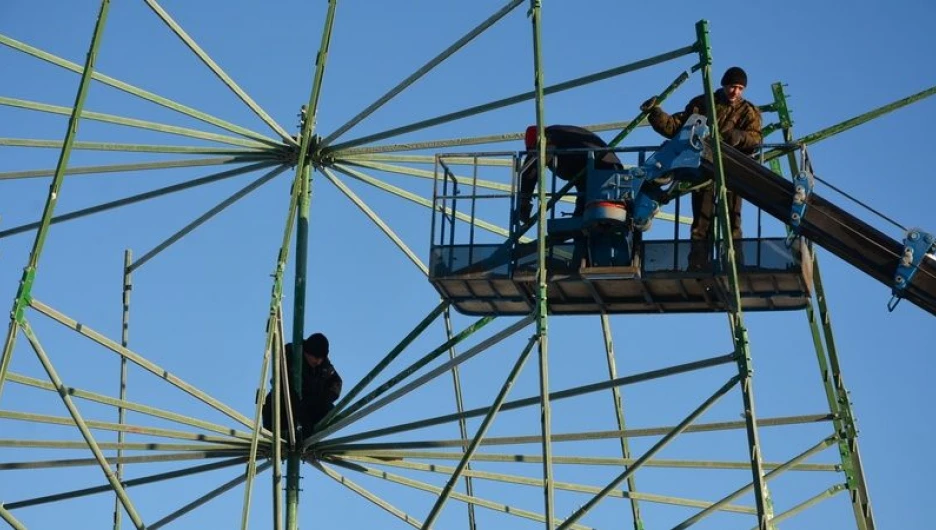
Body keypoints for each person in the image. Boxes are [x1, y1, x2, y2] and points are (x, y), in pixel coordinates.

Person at [641, 66, 762, 269]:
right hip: (702, 170)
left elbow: (756, 138)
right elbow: (676, 128)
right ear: (724, 85)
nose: (736, 92)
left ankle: (734, 266)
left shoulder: (748, 111)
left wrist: (740, 137)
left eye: (740, 88)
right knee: (700, 224)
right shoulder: (703, 104)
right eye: (733, 87)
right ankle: (697, 265)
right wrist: (655, 113)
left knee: (733, 222)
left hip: (731, 172)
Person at [517, 124, 624, 224]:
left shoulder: (550, 137)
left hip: (597, 171)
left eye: (533, 150)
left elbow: (530, 170)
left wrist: (524, 201)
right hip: (610, 170)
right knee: (584, 212)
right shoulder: (564, 133)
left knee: (581, 220)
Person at [261, 332, 342, 433]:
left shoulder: (322, 363)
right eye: (316, 358)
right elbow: (283, 387)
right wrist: (303, 416)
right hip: (283, 408)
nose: (318, 362)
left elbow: (336, 382)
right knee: (281, 404)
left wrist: (323, 399)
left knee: (330, 412)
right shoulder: (291, 353)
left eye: (321, 359)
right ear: (307, 352)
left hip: (310, 405)